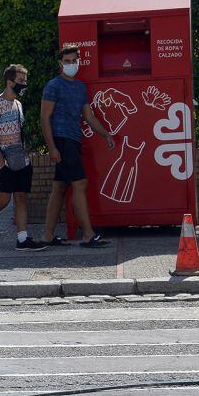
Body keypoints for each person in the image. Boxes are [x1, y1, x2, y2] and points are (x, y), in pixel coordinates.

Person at [40, 47, 116, 247]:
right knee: (80, 183)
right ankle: (88, 235)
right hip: (62, 140)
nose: (71, 64)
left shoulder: (81, 87)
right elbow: (44, 117)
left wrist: (106, 134)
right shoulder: (53, 86)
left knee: (59, 187)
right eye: (67, 61)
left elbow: (89, 116)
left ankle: (47, 235)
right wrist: (52, 147)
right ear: (60, 63)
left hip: (73, 140)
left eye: (74, 60)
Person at [0, 64, 46, 252]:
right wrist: (1, 162)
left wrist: (26, 151)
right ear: (9, 82)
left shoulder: (18, 104)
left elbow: (20, 130)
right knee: (3, 200)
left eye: (25, 80)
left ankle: (22, 239)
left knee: (21, 197)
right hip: (3, 160)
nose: (24, 84)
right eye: (21, 81)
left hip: (20, 159)